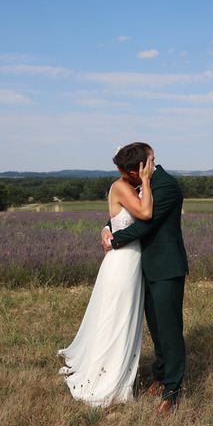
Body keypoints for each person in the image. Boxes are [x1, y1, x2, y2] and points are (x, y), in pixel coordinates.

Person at [57, 145, 155, 407]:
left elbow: (118, 219)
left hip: (131, 260)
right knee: (116, 318)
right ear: (137, 169)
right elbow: (145, 214)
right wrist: (145, 181)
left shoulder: (131, 186)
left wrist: (106, 227)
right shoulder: (123, 186)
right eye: (148, 163)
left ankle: (119, 369)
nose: (152, 166)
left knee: (123, 317)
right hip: (122, 262)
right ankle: (105, 376)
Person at [102, 142, 188, 416]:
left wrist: (114, 242)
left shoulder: (167, 187)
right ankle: (160, 376)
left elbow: (144, 223)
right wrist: (107, 226)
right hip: (143, 267)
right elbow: (126, 211)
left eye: (127, 174)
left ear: (139, 169)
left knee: (170, 330)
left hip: (166, 268)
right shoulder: (141, 183)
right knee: (156, 329)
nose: (125, 179)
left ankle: (173, 391)